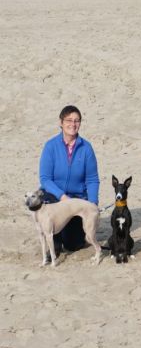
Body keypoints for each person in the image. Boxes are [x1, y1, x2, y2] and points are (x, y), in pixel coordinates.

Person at [38, 105, 100, 253]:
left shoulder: (86, 148)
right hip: (54, 198)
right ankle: (55, 241)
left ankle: (69, 234)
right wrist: (62, 197)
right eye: (69, 120)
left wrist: (92, 203)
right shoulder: (50, 146)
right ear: (61, 122)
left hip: (76, 199)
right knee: (55, 245)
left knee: (74, 245)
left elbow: (92, 179)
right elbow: (45, 179)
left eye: (77, 120)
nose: (73, 124)